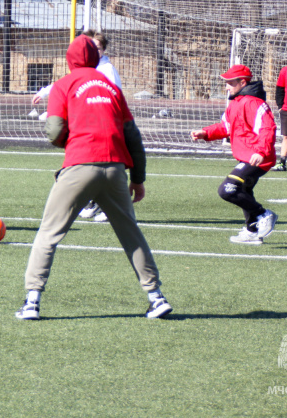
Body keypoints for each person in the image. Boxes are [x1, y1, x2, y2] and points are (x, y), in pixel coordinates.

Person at [16, 34, 171, 321]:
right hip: (115, 168)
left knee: (48, 233)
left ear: (69, 60)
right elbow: (133, 136)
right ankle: (156, 296)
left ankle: (31, 301)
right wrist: (138, 178)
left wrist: (69, 141)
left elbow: (53, 131)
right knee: (130, 234)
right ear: (96, 57)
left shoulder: (63, 85)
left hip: (80, 164)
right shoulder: (111, 87)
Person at [33, 30, 122, 223]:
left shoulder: (106, 70)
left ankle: (108, 206)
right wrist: (47, 92)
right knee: (88, 166)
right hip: (88, 127)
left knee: (98, 166)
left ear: (103, 50)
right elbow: (68, 83)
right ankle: (93, 202)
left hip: (104, 127)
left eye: (97, 47)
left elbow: (114, 99)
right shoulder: (87, 68)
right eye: (91, 47)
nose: (93, 51)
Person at [190, 64, 278, 245]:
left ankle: (263, 214)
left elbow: (267, 129)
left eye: (230, 82)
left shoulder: (255, 103)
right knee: (244, 191)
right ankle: (252, 230)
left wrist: (261, 151)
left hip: (258, 157)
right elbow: (226, 127)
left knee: (227, 189)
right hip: (247, 156)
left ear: (242, 82)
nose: (226, 86)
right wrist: (205, 133)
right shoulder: (236, 103)